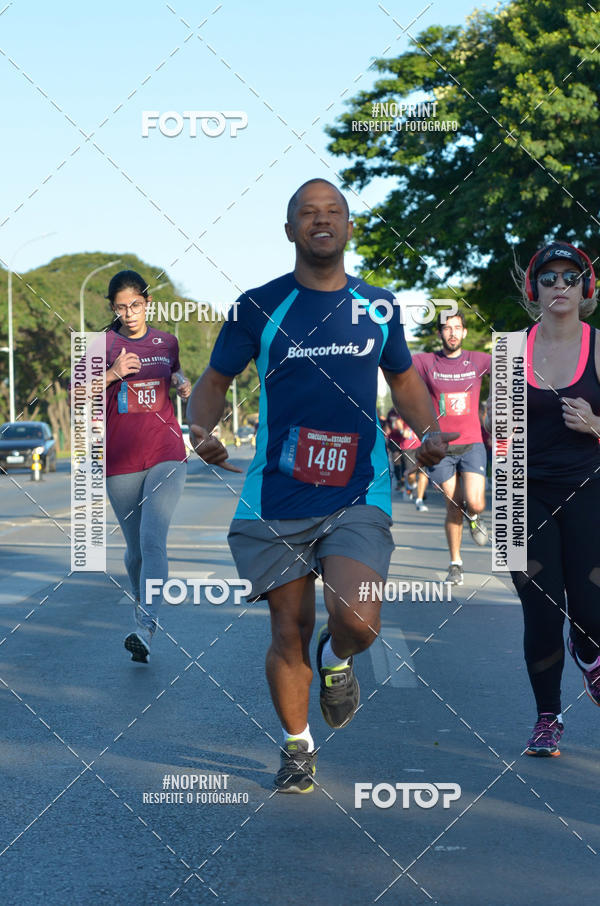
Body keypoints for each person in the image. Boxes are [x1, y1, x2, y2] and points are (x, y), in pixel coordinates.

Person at [186, 178, 457, 793]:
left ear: (349, 227)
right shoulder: (258, 306)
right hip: (278, 494)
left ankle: (339, 659)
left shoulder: (379, 306)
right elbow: (215, 379)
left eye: (332, 210)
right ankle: (297, 745)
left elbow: (406, 381)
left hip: (357, 490)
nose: (320, 220)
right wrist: (199, 428)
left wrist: (431, 430)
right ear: (290, 231)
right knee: (288, 629)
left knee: (357, 620)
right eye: (307, 213)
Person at [497, 241, 600, 757]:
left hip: (590, 490)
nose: (560, 285)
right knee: (540, 612)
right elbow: (497, 439)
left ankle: (589, 652)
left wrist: (596, 424)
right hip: (521, 493)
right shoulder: (509, 351)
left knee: (591, 610)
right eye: (549, 278)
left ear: (587, 289)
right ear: (531, 288)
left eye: (571, 276)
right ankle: (546, 719)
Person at [102, 270, 191, 662]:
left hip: (166, 453)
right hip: (120, 460)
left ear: (147, 303)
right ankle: (142, 611)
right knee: (136, 551)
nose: (129, 313)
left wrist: (182, 380)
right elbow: (77, 395)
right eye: (121, 307)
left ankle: (146, 625)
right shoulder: (101, 345)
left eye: (135, 305)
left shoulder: (166, 341)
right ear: (113, 309)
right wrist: (113, 373)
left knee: (154, 540)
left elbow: (173, 371)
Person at [412, 312, 491, 585]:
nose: (453, 333)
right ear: (439, 334)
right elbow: (397, 368)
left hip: (473, 443)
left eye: (457, 328)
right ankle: (455, 563)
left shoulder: (479, 360)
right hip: (441, 447)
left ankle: (476, 514)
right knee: (454, 505)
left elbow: (513, 370)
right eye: (447, 328)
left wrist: (496, 409)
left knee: (476, 501)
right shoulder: (425, 362)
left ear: (465, 332)